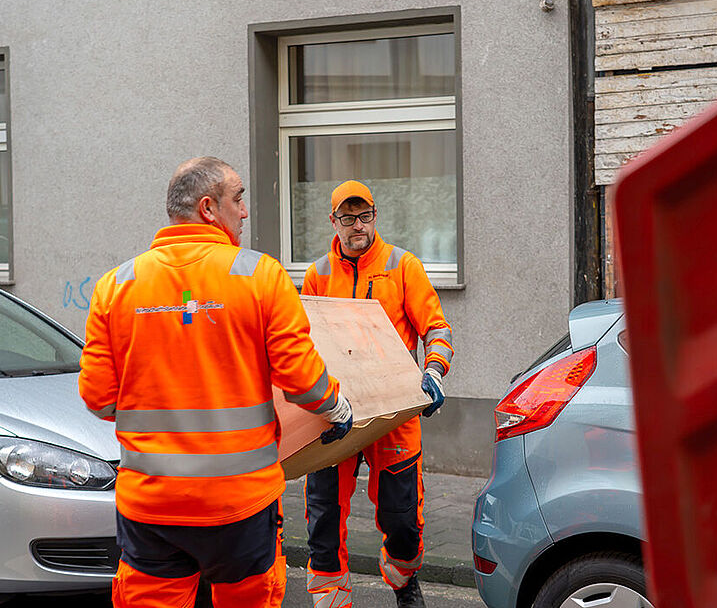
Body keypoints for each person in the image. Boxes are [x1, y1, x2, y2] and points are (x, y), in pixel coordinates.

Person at [79, 157, 354, 608]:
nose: (244, 211)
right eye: (238, 198)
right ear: (208, 208)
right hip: (239, 504)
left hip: (151, 507)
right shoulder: (260, 276)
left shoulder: (117, 286)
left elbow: (97, 398)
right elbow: (302, 381)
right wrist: (337, 407)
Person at [301, 180, 453, 608]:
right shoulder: (317, 275)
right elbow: (303, 342)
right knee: (323, 518)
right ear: (333, 222)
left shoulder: (402, 266)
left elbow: (436, 328)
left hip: (394, 413)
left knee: (403, 519)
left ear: (374, 217)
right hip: (336, 413)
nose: (358, 226)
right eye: (348, 218)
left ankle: (404, 580)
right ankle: (331, 599)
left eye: (364, 216)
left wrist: (434, 372)